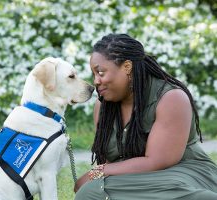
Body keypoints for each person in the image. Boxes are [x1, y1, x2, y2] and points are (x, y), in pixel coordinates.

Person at [74, 33, 217, 200]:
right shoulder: (103, 107)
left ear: (127, 67)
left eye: (100, 72)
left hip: (183, 176)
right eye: (94, 74)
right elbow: (111, 164)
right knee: (93, 192)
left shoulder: (171, 98)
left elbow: (157, 161)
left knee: (92, 190)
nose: (96, 81)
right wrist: (100, 175)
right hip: (138, 182)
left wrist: (97, 172)